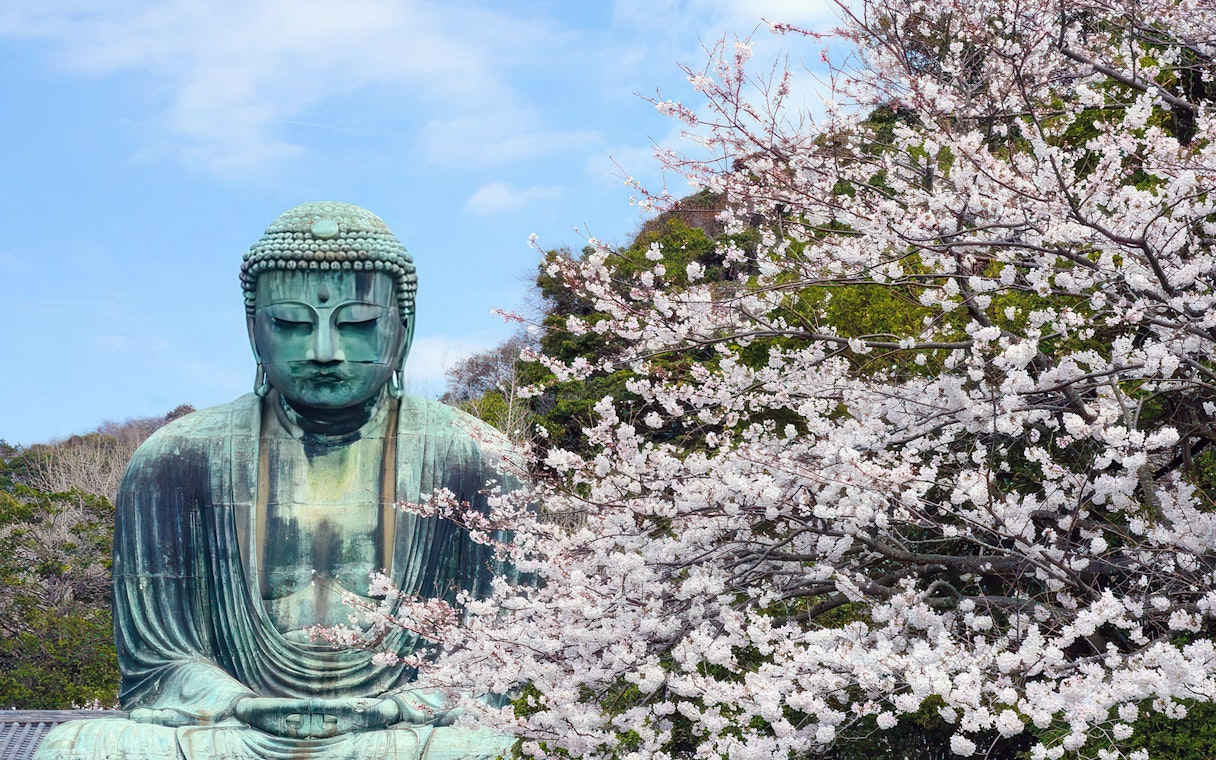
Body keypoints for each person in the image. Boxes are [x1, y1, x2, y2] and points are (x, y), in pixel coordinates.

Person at [35, 202, 517, 760]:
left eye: (358, 325)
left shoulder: (476, 457)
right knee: (78, 747)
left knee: (501, 749)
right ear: (252, 329)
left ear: (403, 328)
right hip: (233, 728)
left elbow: (500, 661)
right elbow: (157, 662)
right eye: (290, 324)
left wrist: (402, 706)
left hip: (397, 733)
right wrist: (239, 701)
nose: (323, 352)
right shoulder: (176, 457)